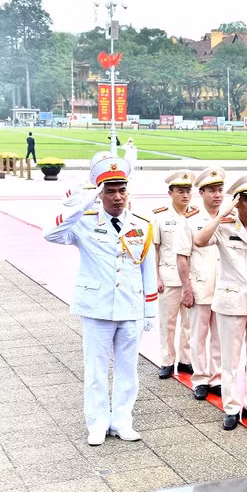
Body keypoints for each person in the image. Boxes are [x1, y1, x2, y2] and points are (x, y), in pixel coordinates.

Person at [43, 153, 156, 446]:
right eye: (110, 191)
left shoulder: (142, 225)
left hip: (130, 307)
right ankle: (97, 423)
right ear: (99, 193)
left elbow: (148, 270)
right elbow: (51, 234)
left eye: (122, 190)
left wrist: (150, 310)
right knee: (95, 371)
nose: (117, 197)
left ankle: (122, 420)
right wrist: (81, 205)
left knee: (127, 371)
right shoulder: (83, 222)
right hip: (97, 308)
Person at [194, 174, 247, 430]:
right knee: (230, 359)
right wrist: (223, 214)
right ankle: (231, 408)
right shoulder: (223, 226)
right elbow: (199, 240)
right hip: (231, 302)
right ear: (237, 202)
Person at [176, 167, 225, 400]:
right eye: (212, 191)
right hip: (200, 285)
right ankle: (201, 378)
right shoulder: (190, 220)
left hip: (225, 287)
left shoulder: (229, 218)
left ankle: (217, 377)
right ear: (202, 192)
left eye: (220, 190)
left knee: (220, 336)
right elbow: (182, 256)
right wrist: (186, 288)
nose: (217, 195)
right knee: (198, 335)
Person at [153, 170, 196, 379]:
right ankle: (167, 361)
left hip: (191, 279)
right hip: (168, 277)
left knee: (189, 324)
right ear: (171, 193)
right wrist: (156, 277)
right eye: (180, 191)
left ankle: (186, 360)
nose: (185, 195)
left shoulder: (196, 216)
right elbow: (155, 249)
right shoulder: (160, 216)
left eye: (188, 191)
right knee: (167, 323)